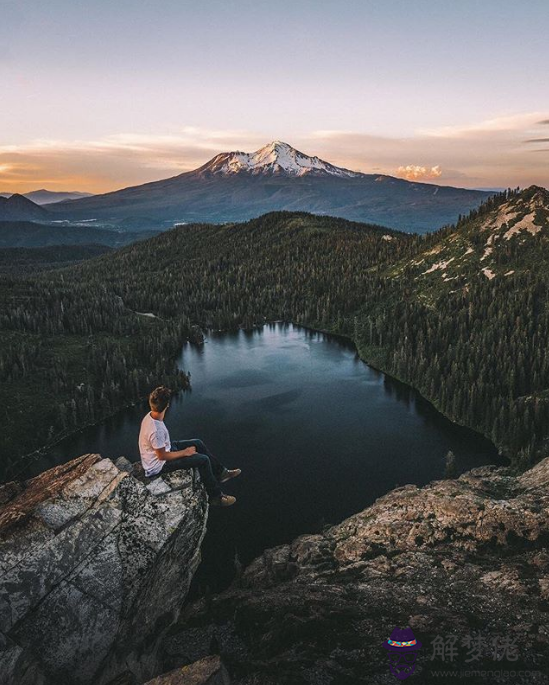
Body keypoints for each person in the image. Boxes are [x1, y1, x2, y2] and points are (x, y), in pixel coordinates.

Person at [138, 386, 240, 507]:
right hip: (158, 466)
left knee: (197, 442)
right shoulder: (156, 430)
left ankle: (221, 473)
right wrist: (185, 452)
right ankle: (216, 497)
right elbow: (162, 456)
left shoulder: (151, 415)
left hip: (164, 450)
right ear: (167, 405)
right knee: (203, 460)